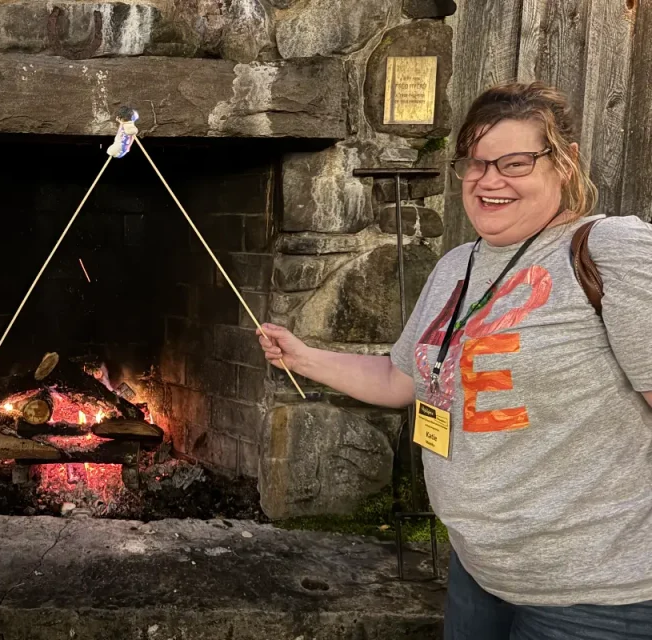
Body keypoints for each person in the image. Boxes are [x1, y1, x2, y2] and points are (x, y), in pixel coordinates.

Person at [259, 82, 652, 638]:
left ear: (564, 163)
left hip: (594, 593)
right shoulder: (457, 266)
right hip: (478, 571)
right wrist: (302, 358)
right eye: (476, 163)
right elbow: (403, 380)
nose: (490, 180)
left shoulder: (611, 250)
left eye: (514, 162)